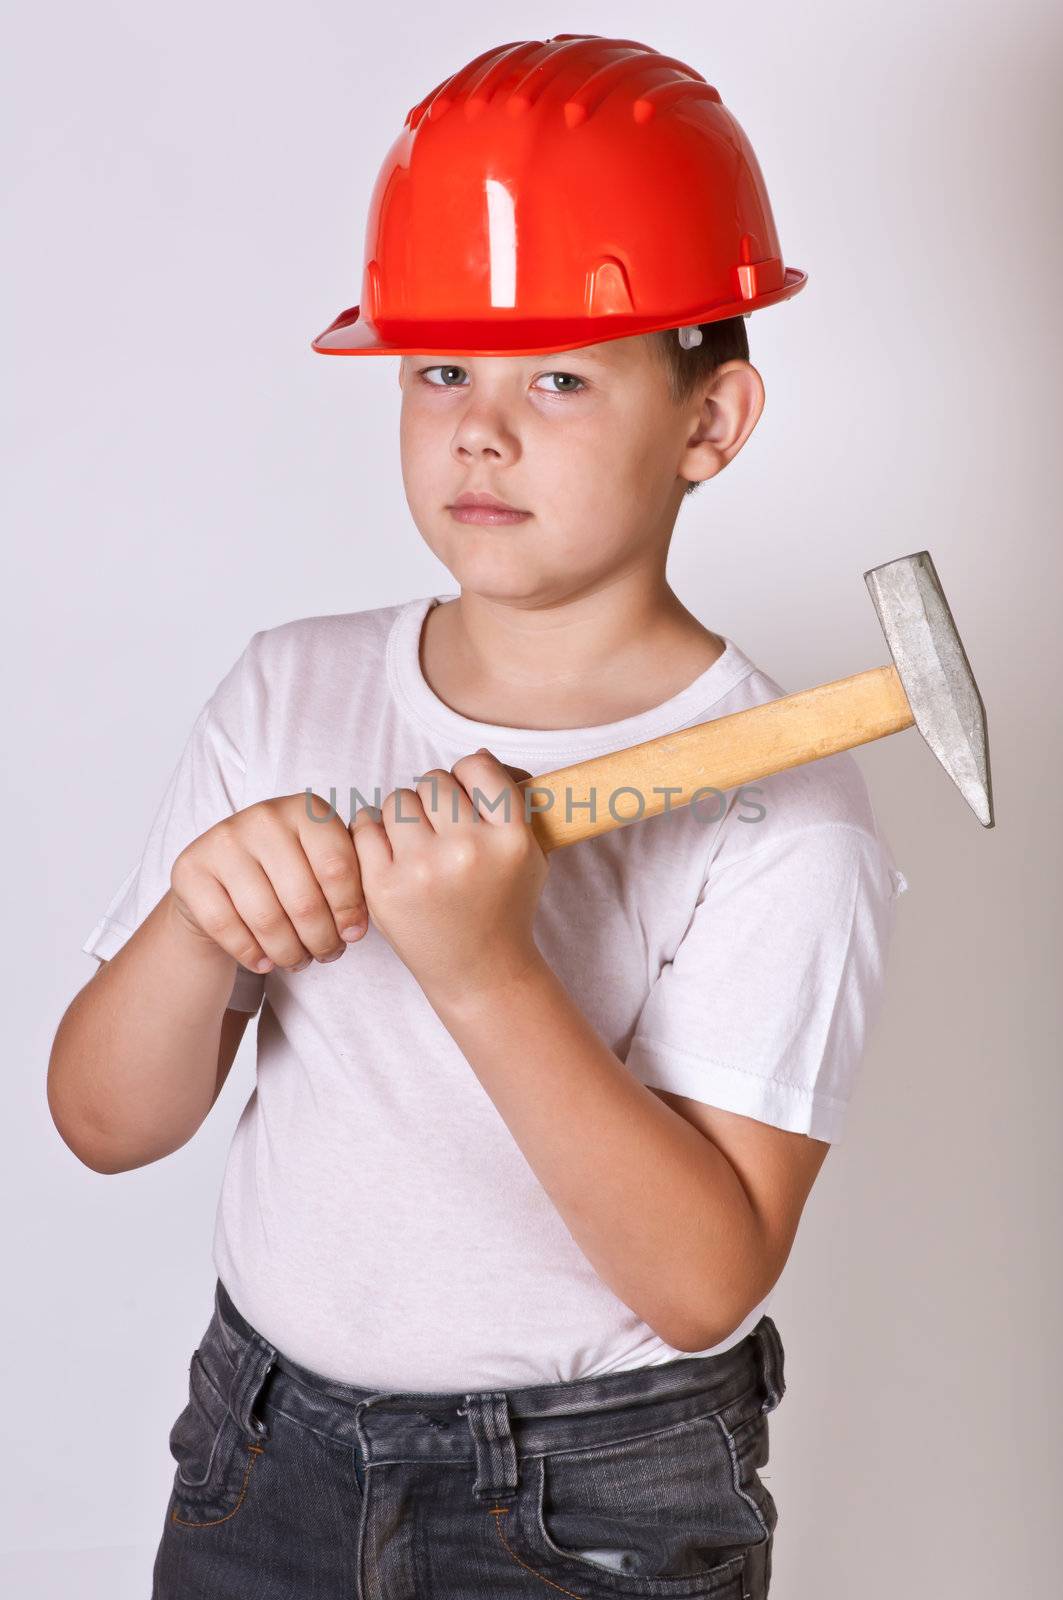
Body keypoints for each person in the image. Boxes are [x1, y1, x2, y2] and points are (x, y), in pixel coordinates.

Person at [48, 33, 909, 1599]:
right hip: (262, 1458)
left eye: (561, 378)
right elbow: (105, 1125)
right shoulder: (289, 693)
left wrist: (484, 966)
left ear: (710, 426)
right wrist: (196, 922)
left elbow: (706, 1278)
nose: (479, 430)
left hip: (595, 1506)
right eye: (440, 367)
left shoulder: (783, 812)